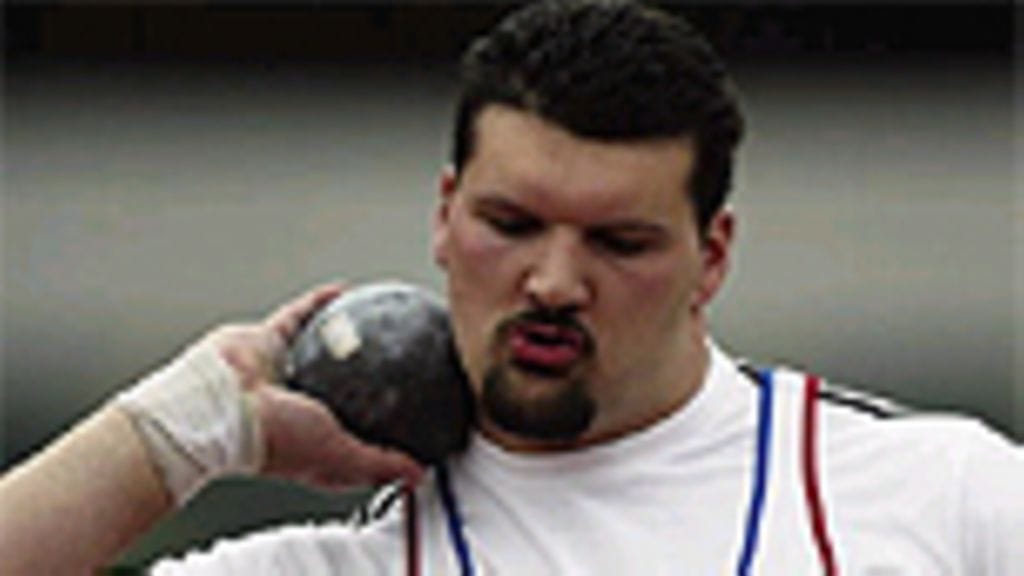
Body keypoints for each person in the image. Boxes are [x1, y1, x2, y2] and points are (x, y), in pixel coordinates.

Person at [1, 1, 1020, 574]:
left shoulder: (940, 495)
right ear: (445, 215)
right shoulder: (348, 567)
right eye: (511, 225)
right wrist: (179, 428)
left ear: (712, 256)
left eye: (619, 242)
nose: (553, 281)